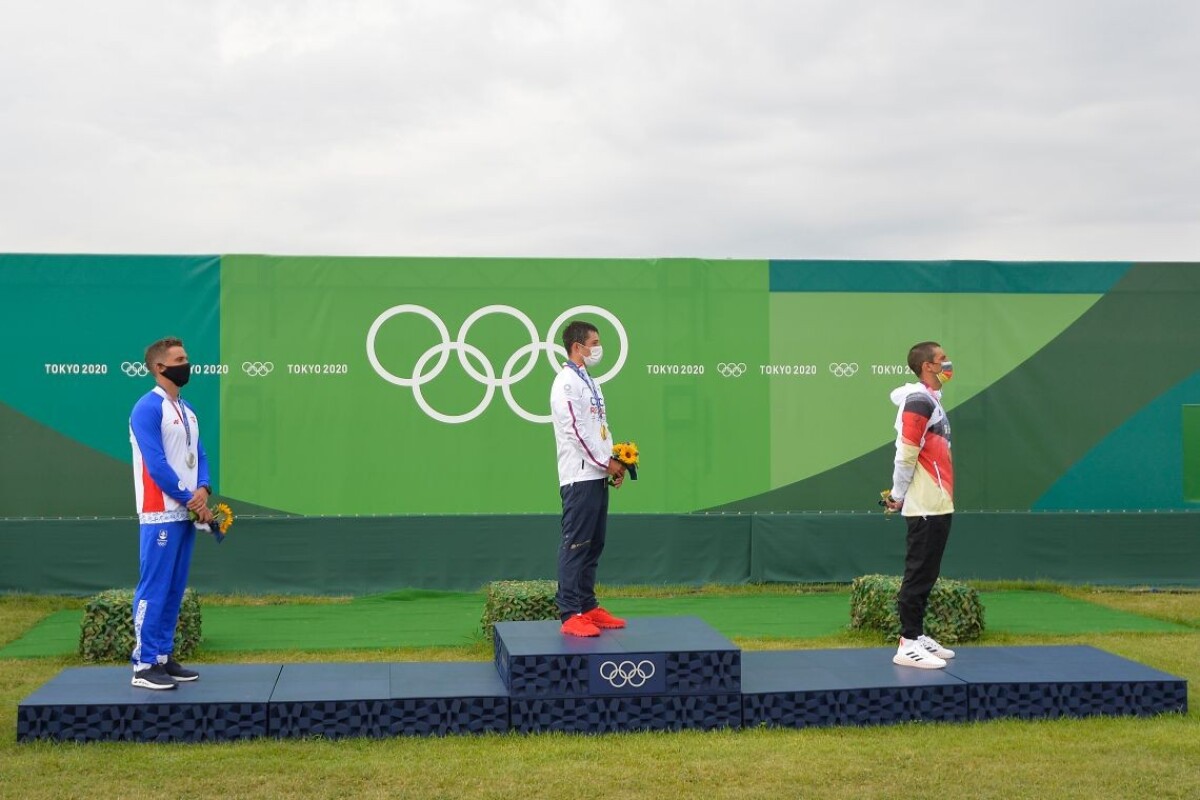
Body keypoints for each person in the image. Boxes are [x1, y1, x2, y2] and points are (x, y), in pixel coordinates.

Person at [128, 337, 211, 689]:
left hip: (185, 513)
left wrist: (203, 489)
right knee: (154, 588)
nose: (186, 363)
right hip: (159, 513)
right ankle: (143, 665)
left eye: (187, 357)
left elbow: (200, 455)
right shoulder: (146, 408)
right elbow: (156, 465)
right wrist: (188, 497)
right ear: (160, 367)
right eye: (179, 359)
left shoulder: (187, 409)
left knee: (175, 589)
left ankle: (162, 656)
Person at [549, 321, 628, 637]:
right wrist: (604, 461)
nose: (598, 348)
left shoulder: (590, 382)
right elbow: (575, 431)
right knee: (576, 544)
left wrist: (616, 463)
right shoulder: (567, 382)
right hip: (579, 476)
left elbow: (599, 428)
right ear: (577, 347)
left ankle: (588, 604)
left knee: (594, 543)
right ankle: (570, 612)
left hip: (596, 473)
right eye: (594, 342)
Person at [884, 341, 958, 669]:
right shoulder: (917, 401)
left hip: (938, 503)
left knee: (928, 573)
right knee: (917, 573)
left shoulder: (931, 400)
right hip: (923, 504)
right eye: (942, 359)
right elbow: (906, 454)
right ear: (927, 366)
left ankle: (918, 633)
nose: (948, 363)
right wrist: (898, 496)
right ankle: (908, 642)